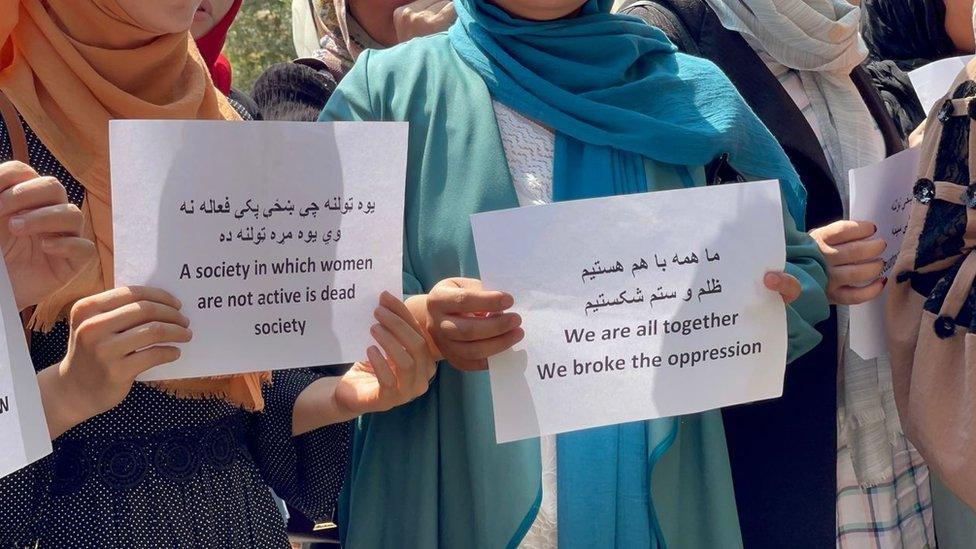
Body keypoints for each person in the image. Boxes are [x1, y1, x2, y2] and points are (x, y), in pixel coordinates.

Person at [319, 0, 829, 546]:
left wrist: (762, 307)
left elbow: (798, 266)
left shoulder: (688, 93)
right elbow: (316, 297)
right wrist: (424, 326)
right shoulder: (384, 91)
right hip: (453, 498)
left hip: (656, 504)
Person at [0, 1, 434, 547]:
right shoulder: (9, 128)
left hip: (235, 519)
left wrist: (344, 396)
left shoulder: (226, 119)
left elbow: (250, 399)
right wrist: (65, 392)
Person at [618, 1, 935, 547]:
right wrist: (800, 264)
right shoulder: (659, 34)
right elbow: (638, 268)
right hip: (784, 451)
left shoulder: (835, 29)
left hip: (889, 430)